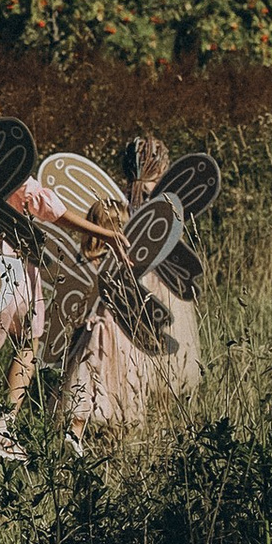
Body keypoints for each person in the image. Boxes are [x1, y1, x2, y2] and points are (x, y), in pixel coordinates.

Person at [0, 91, 124, 498]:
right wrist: (103, 232)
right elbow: (55, 212)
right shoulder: (11, 171)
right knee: (27, 345)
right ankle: (5, 427)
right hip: (14, 273)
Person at [63, 132, 199, 440]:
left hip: (127, 287)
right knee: (160, 357)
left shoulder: (120, 202)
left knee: (123, 356)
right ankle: (154, 430)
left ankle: (113, 417)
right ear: (162, 167)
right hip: (157, 286)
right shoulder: (164, 204)